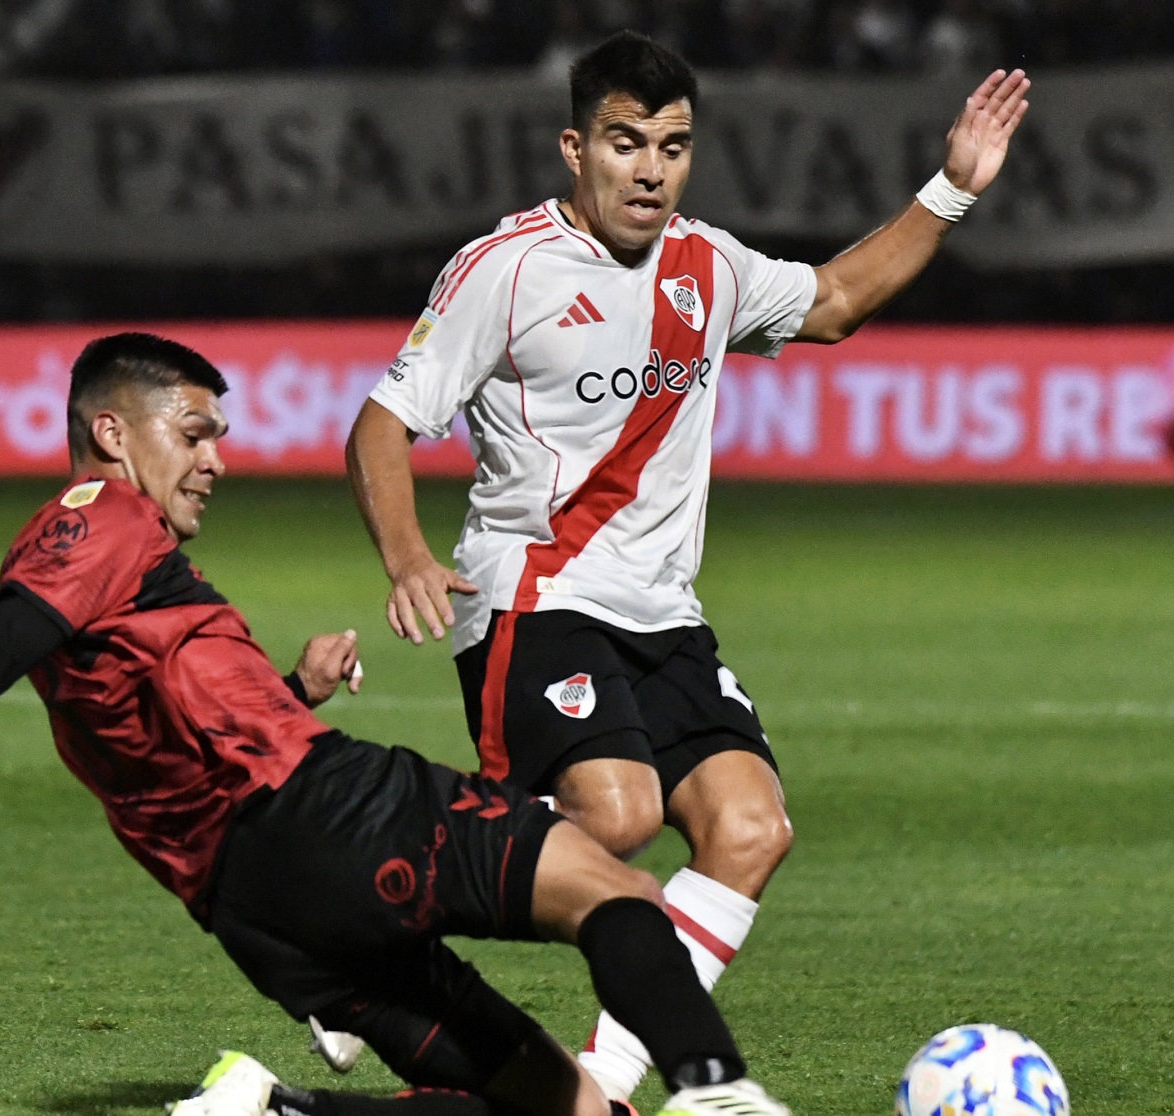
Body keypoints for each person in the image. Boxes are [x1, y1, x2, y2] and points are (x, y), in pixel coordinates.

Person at [0, 333, 797, 1116]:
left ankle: (274, 1107)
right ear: (112, 434)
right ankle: (715, 1088)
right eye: (193, 432)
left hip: (254, 911)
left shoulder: (115, 572)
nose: (216, 458)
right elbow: (0, 648)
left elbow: (160, 727)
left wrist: (291, 690)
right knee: (615, 888)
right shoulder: (98, 516)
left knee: (561, 1104)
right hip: (327, 810)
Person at [344, 30, 1028, 1100]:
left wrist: (950, 189)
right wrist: (407, 558)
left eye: (673, 145)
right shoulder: (505, 271)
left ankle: (602, 1079)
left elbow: (837, 301)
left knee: (752, 829)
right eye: (626, 143)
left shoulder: (707, 265)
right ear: (576, 148)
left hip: (663, 615)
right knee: (615, 819)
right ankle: (375, 926)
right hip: (538, 594)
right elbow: (383, 424)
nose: (651, 169)